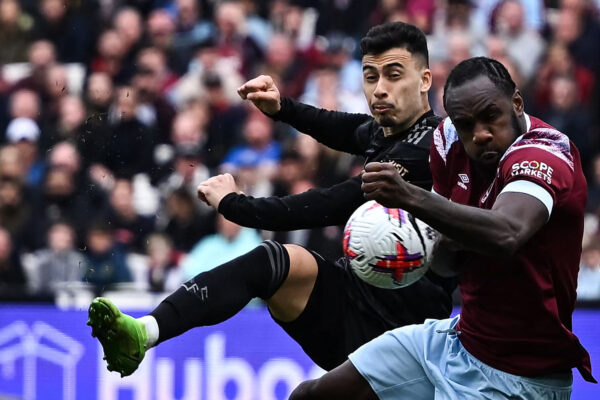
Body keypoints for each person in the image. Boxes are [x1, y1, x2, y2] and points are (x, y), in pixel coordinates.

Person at [87, 22, 456, 378]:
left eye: (394, 74)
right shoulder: (390, 131)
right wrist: (283, 108)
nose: (379, 89)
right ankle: (144, 332)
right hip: (352, 300)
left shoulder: (427, 151)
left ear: (425, 80)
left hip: (407, 330)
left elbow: (321, 206)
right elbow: (344, 127)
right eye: (370, 76)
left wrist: (233, 204)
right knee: (273, 262)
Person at [288, 57, 596, 400]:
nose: (480, 134)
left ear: (517, 103)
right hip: (457, 339)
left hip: (521, 377)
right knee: (313, 395)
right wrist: (427, 245)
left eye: (491, 116)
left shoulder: (546, 152)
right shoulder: (447, 140)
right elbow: (445, 265)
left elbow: (507, 233)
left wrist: (409, 197)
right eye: (466, 124)